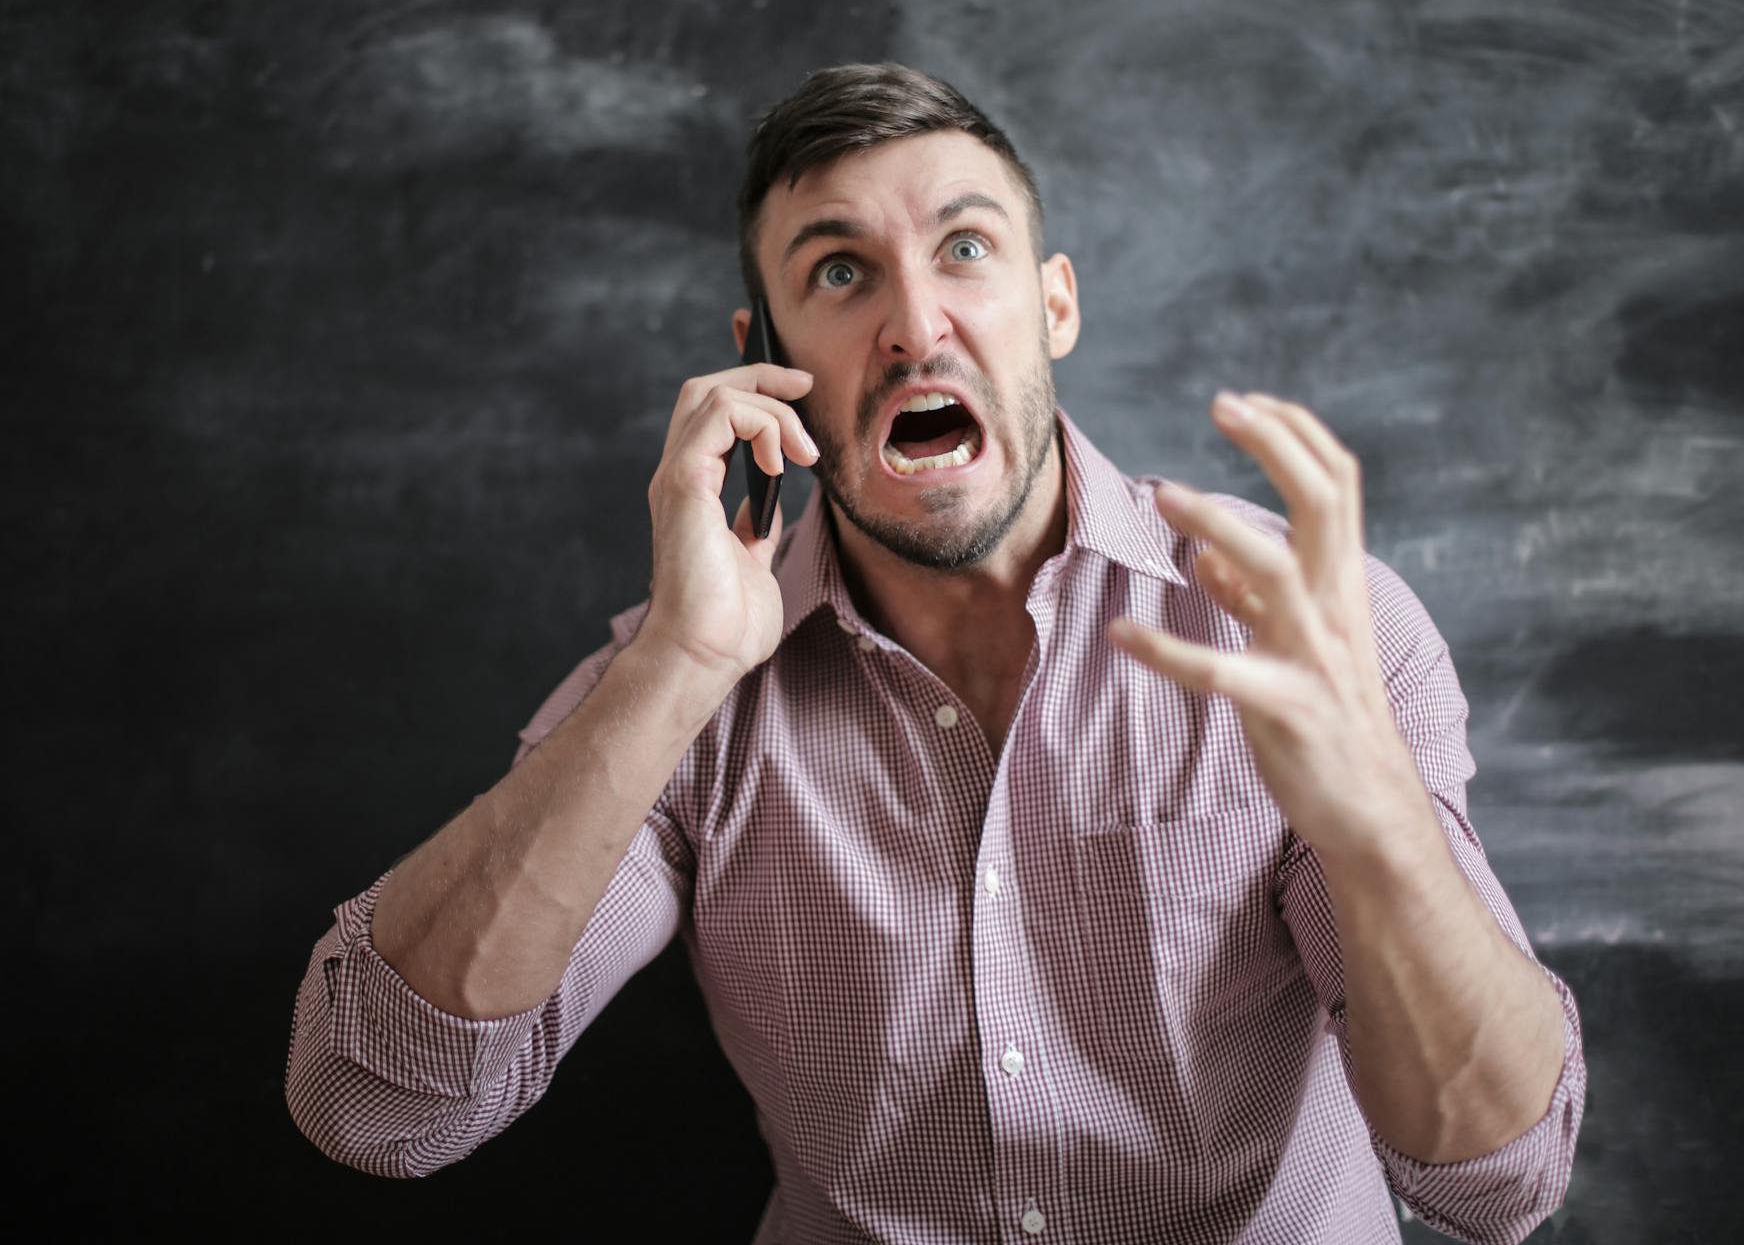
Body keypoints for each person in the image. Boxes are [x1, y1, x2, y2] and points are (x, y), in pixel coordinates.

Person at [285, 62, 1585, 1245]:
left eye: (965, 248)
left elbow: (1493, 1185)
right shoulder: (680, 689)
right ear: (766, 364)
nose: (915, 326)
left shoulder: (1306, 623)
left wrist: (1378, 832)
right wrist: (677, 665)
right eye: (839, 273)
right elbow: (381, 1113)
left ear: (1053, 303)